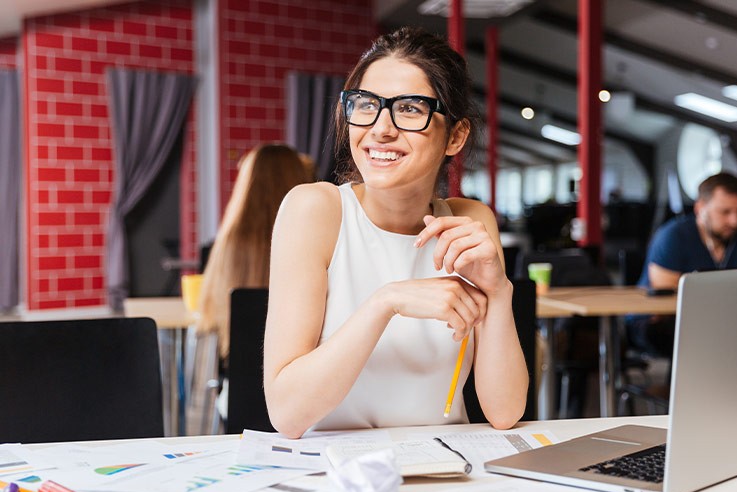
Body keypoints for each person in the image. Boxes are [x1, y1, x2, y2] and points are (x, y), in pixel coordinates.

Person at [263, 27, 528, 438]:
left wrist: (499, 291)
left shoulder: (470, 222)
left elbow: (505, 412)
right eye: (366, 104)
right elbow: (287, 414)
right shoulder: (314, 210)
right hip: (333, 472)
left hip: (446, 467)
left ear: (455, 136)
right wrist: (386, 301)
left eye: (409, 108)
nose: (380, 129)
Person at [197, 143, 312, 360]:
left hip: (236, 384)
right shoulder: (315, 240)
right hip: (301, 377)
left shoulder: (228, 242)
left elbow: (208, 318)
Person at [629, 171, 737, 355]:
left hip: (723, 318)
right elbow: (667, 300)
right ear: (700, 208)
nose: (734, 221)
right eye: (725, 212)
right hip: (658, 321)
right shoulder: (673, 236)